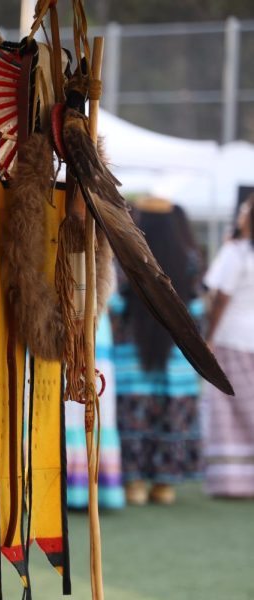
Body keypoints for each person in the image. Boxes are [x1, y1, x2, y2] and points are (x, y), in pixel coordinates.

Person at [111, 198, 203, 506]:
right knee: (170, 414)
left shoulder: (126, 256)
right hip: (177, 358)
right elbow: (197, 307)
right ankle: (164, 486)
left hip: (131, 356)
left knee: (133, 417)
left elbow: (117, 304)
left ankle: (134, 483)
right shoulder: (188, 258)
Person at [202, 195, 254, 498]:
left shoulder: (236, 253)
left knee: (230, 406)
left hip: (232, 336)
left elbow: (220, 296)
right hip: (246, 336)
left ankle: (232, 481)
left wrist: (209, 336)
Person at [64, 310, 126, 510]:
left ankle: (85, 487)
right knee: (71, 410)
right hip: (70, 331)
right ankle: (79, 487)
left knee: (88, 410)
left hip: (87, 333)